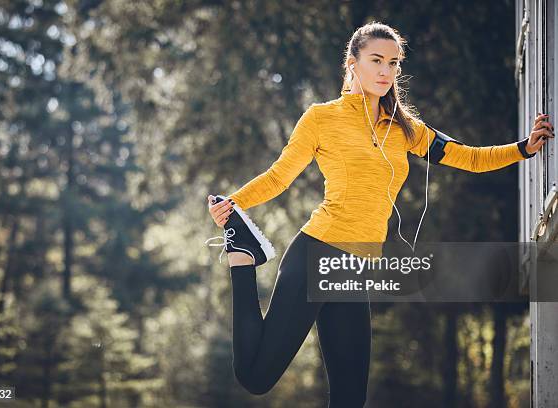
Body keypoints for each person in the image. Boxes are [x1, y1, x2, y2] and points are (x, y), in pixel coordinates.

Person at [204, 22, 554, 407]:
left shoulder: (405, 129)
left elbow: (466, 156)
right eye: (376, 60)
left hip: (356, 269)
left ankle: (245, 251)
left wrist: (523, 148)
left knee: (351, 397)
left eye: (393, 63)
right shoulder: (322, 118)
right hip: (316, 253)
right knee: (255, 377)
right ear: (353, 64)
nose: (386, 71)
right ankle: (244, 256)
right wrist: (233, 205)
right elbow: (278, 176)